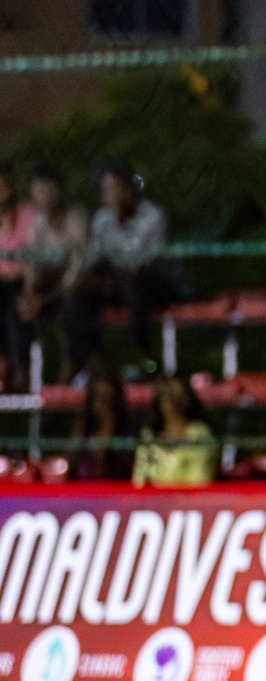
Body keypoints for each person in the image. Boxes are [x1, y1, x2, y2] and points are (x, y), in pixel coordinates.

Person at [80, 161, 179, 372]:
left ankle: (142, 357)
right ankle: (91, 359)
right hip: (120, 287)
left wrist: (120, 270)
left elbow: (152, 260)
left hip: (156, 287)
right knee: (79, 293)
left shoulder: (153, 216)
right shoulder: (102, 220)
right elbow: (94, 259)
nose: (112, 195)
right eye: (106, 190)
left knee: (134, 282)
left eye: (116, 187)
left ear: (130, 188)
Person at [20, 166, 91, 383]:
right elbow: (33, 263)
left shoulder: (76, 218)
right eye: (37, 192)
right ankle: (18, 367)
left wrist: (46, 297)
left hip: (79, 286)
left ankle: (73, 362)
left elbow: (80, 267)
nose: (42, 198)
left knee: (71, 304)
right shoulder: (39, 223)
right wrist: (29, 293)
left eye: (47, 191)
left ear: (59, 191)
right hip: (52, 285)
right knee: (16, 304)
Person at [132, 374, 216, 487]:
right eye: (164, 392)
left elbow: (200, 480)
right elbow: (139, 481)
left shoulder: (200, 433)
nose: (168, 398)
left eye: (175, 393)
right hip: (151, 503)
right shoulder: (148, 435)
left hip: (191, 502)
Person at [0, 163, 36, 392]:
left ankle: (19, 367)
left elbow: (34, 253)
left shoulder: (27, 213)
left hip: (26, 279)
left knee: (15, 306)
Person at [70, 365, 132, 480]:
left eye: (106, 398)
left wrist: (109, 425)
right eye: (97, 398)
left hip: (117, 494)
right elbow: (70, 464)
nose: (102, 404)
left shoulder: (126, 438)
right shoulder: (84, 431)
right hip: (83, 494)